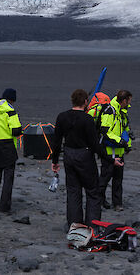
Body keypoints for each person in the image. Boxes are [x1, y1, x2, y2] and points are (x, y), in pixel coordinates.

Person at [51, 89, 123, 226]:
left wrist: (55, 161)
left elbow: (57, 142)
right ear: (85, 102)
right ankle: (93, 226)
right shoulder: (87, 119)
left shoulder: (62, 117)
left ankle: (74, 225)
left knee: (73, 192)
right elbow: (95, 145)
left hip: (69, 155)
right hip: (84, 156)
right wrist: (111, 159)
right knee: (92, 192)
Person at [0, 88, 22, 213]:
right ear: (12, 100)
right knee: (8, 177)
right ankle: (4, 207)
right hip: (7, 145)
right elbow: (16, 131)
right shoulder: (10, 112)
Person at [98, 90, 133, 211]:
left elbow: (125, 130)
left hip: (119, 151)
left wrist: (127, 145)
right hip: (108, 152)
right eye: (128, 100)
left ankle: (117, 203)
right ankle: (98, 201)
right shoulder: (110, 111)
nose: (129, 103)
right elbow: (105, 131)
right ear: (124, 100)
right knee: (105, 178)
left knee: (118, 179)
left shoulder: (122, 113)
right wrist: (120, 141)